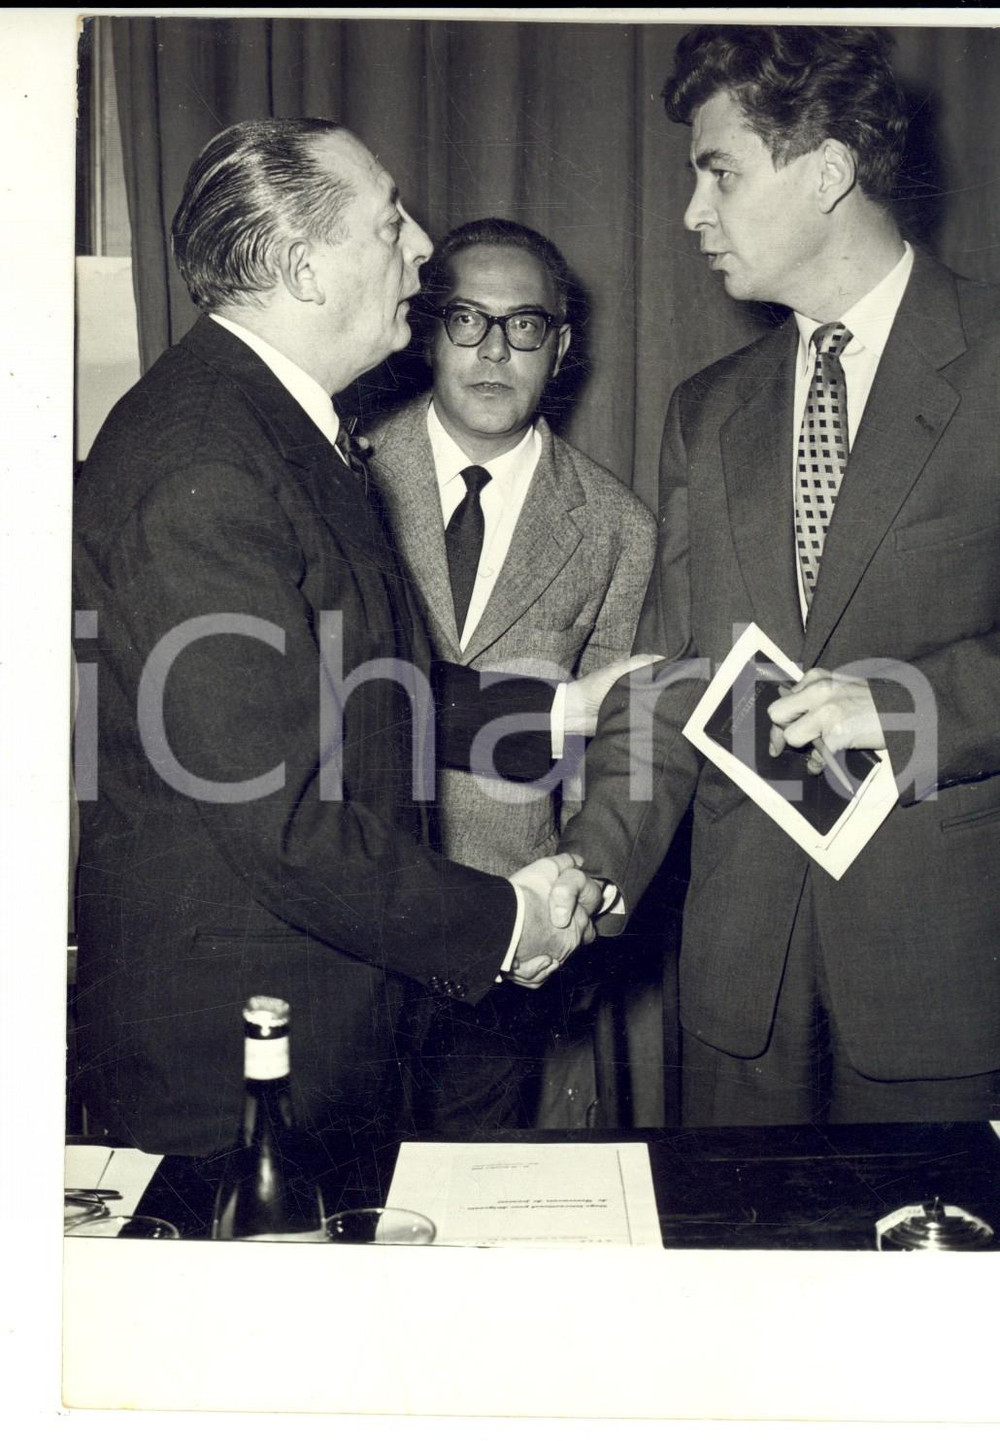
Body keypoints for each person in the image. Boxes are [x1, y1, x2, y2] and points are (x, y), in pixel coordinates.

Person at [72, 118, 601, 1158]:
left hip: (315, 1020)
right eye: (390, 219)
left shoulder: (272, 422)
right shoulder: (208, 458)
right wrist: (503, 924)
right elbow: (277, 817)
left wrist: (559, 709)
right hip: (234, 1069)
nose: (421, 246)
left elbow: (355, 684)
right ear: (305, 270)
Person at [560, 25, 1000, 1124]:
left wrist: (913, 703)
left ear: (829, 171)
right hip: (737, 992)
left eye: (718, 172)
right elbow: (676, 678)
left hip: (945, 978)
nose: (690, 215)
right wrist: (590, 866)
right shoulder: (706, 411)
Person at [367, 218, 657, 1127]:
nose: (494, 351)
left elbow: (615, 753)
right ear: (425, 330)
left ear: (560, 346)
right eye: (466, 321)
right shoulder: (348, 473)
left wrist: (572, 900)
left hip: (506, 945)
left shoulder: (617, 528)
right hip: (350, 919)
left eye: (523, 326)